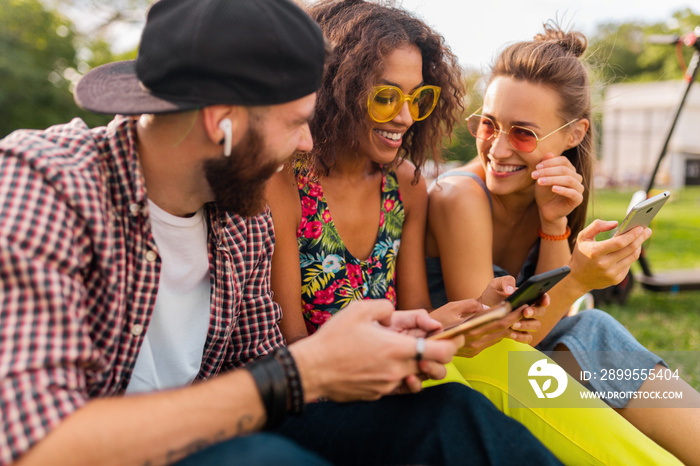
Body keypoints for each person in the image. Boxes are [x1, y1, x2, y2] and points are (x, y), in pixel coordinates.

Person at [0, 0, 571, 465]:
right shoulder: (47, 185)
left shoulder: (237, 216)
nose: (306, 144)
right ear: (220, 120)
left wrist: (382, 340)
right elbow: (35, 444)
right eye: (297, 122)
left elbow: (270, 368)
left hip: (222, 435)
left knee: (450, 419)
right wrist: (306, 369)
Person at [266, 2, 683, 464]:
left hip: (415, 364)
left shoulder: (402, 183)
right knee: (517, 362)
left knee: (590, 332)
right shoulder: (286, 185)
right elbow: (295, 349)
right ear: (335, 89)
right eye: (386, 97)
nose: (405, 117)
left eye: (417, 99)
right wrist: (575, 281)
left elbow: (420, 313)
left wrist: (481, 309)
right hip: (335, 389)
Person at [426, 21, 700, 465]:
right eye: (489, 124)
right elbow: (492, 347)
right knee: (593, 334)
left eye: (523, 133)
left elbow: (545, 326)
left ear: (574, 135)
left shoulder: (548, 193)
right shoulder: (459, 197)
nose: (497, 148)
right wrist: (578, 281)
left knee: (596, 332)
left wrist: (554, 222)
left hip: (519, 363)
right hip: (469, 371)